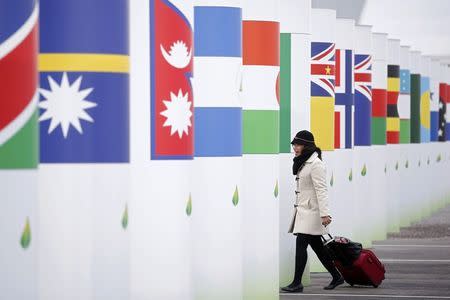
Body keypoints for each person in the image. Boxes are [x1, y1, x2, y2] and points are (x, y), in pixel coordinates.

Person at [281, 130, 344, 293]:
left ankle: (297, 283)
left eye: (299, 144)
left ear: (307, 145)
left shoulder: (316, 164)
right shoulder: (303, 161)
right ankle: (337, 277)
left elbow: (321, 189)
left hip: (313, 211)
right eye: (294, 144)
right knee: (318, 247)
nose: (295, 147)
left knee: (301, 243)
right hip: (304, 209)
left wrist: (325, 213)